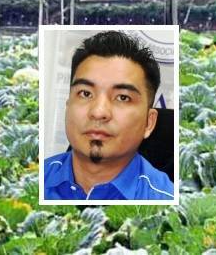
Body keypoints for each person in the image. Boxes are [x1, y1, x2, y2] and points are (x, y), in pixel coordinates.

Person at [44, 31, 174, 200]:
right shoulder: (34, 181)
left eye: (122, 97)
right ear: (68, 107)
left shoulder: (166, 201)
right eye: (85, 93)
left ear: (149, 123)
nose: (98, 112)